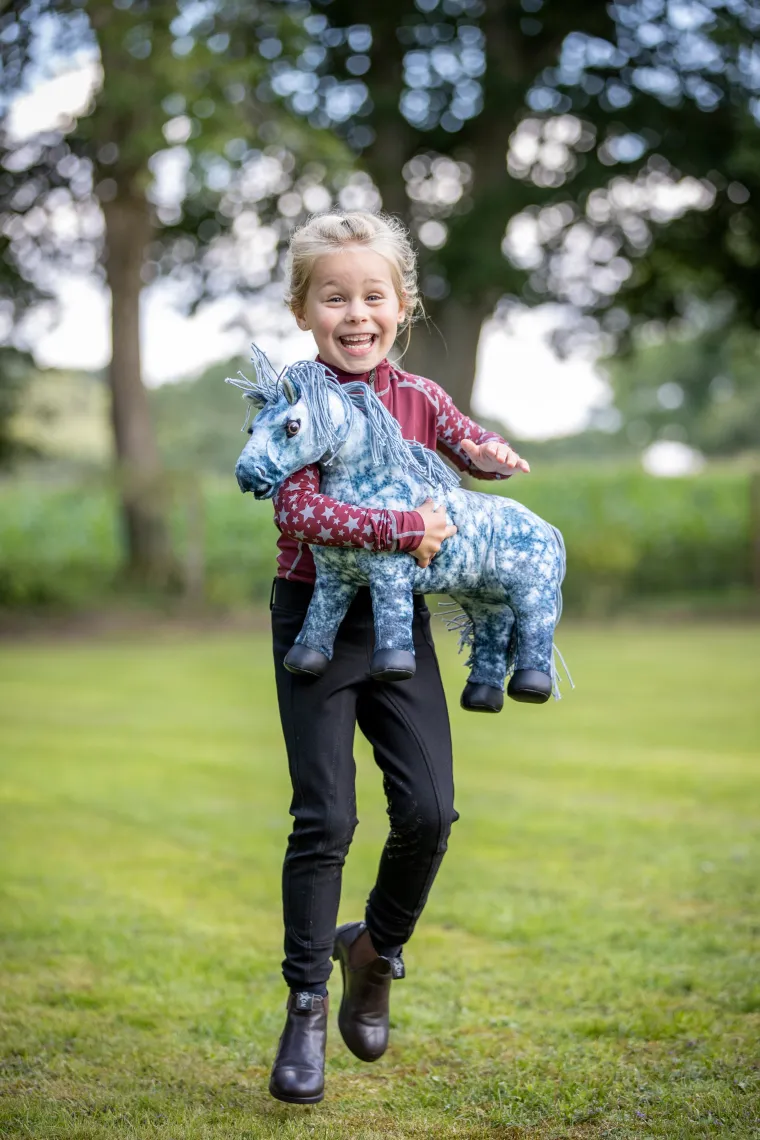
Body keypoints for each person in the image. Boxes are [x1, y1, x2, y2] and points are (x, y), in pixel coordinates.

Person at [267, 210, 529, 1104]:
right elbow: (298, 510)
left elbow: (465, 443)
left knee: (430, 811)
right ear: (303, 310)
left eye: (373, 296)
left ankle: (374, 952)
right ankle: (305, 1008)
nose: (356, 314)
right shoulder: (295, 398)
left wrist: (488, 457)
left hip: (396, 622)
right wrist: (403, 525)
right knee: (326, 819)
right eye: (334, 297)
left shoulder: (418, 395)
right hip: (312, 621)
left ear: (402, 305)